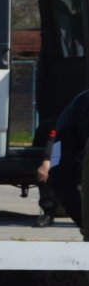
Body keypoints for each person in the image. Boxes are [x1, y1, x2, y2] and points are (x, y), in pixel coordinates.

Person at [47, 88, 89, 235]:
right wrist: (83, 221)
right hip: (71, 130)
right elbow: (59, 177)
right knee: (59, 176)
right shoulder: (70, 119)